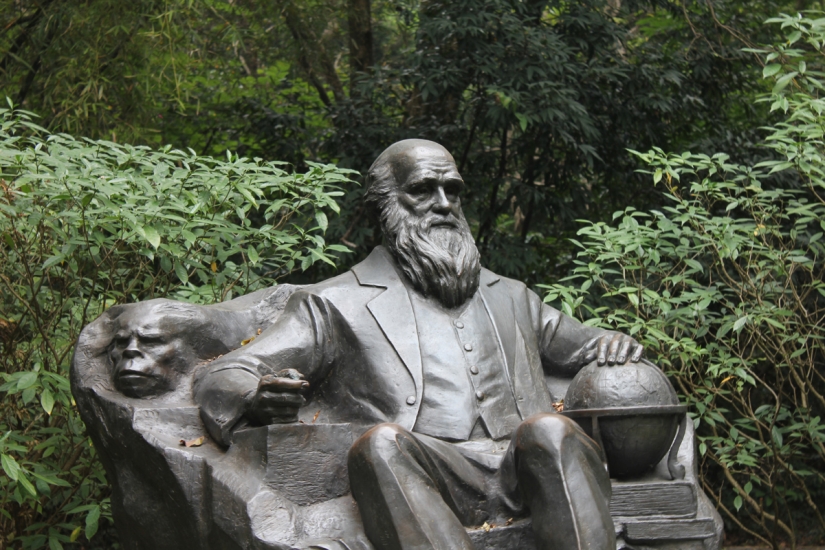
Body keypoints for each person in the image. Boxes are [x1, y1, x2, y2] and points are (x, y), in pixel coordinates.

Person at [194, 140, 645, 550]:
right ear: (385, 204)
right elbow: (228, 372)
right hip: (424, 472)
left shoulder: (512, 296)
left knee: (550, 430)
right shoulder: (335, 303)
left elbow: (587, 343)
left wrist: (614, 343)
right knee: (381, 445)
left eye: (453, 190)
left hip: (525, 466)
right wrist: (253, 395)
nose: (444, 204)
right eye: (423, 190)